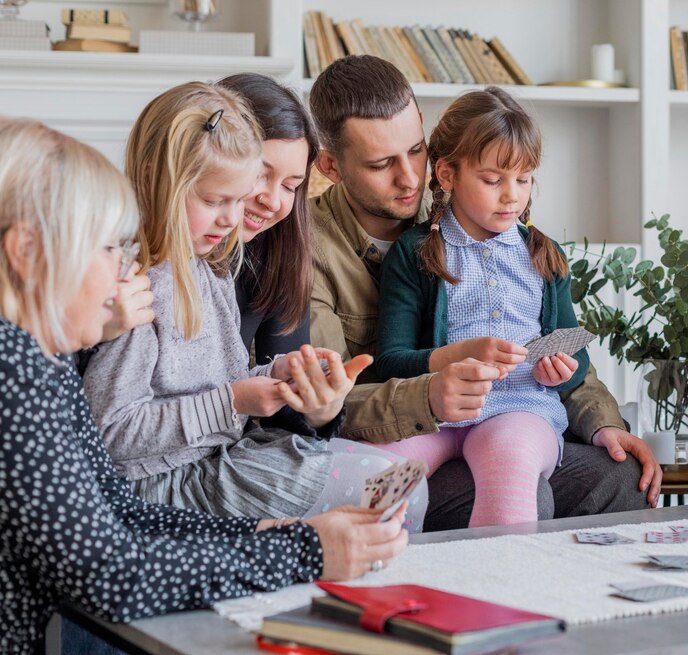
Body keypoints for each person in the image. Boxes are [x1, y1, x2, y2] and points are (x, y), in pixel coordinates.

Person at [0, 117, 407, 655]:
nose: (125, 272)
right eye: (105, 249)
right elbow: (110, 575)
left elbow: (122, 511)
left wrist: (261, 534)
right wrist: (303, 550)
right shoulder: (15, 375)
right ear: (26, 251)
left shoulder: (39, 363)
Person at [306, 55, 661, 530]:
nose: (411, 178)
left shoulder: (524, 244)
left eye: (416, 151)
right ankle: (368, 579)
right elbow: (327, 405)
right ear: (330, 166)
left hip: (517, 413)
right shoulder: (310, 251)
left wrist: (605, 424)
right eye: (381, 164)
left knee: (620, 476)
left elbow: (567, 350)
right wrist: (432, 391)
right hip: (414, 421)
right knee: (377, 478)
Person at [80, 81, 426, 530]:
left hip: (216, 459)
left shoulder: (211, 264)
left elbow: (220, 383)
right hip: (166, 482)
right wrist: (236, 400)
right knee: (394, 493)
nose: (231, 217)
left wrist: (276, 376)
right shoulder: (137, 289)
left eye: (293, 185)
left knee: (403, 483)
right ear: (158, 179)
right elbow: (112, 434)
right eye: (215, 199)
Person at [369, 87, 587, 527]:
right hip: (434, 410)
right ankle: (380, 586)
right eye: (493, 180)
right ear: (447, 174)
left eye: (524, 179)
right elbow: (389, 360)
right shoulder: (416, 253)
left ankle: (496, 591)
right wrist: (454, 358)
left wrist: (563, 367)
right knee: (376, 477)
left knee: (509, 463)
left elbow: (576, 353)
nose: (512, 196)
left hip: (521, 407)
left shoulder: (545, 255)